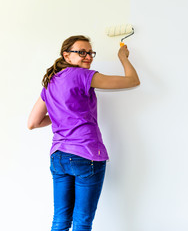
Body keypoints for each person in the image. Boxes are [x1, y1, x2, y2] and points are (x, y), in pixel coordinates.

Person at [27, 35, 140, 231]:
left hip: (59, 157)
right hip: (86, 155)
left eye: (90, 53)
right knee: (82, 222)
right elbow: (132, 80)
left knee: (60, 220)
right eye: (81, 52)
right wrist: (123, 57)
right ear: (67, 56)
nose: (87, 56)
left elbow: (33, 123)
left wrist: (63, 115)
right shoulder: (82, 76)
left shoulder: (50, 82)